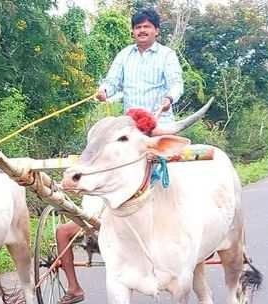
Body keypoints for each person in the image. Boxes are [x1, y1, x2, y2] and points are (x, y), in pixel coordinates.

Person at [55, 8, 185, 304]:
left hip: (154, 125)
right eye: (138, 27)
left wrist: (168, 99)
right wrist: (103, 91)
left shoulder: (166, 56)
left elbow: (176, 83)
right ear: (132, 31)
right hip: (125, 128)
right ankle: (104, 219)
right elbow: (111, 82)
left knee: (170, 173)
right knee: (104, 164)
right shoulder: (125, 55)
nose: (142, 31)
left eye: (147, 27)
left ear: (156, 31)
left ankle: (178, 227)